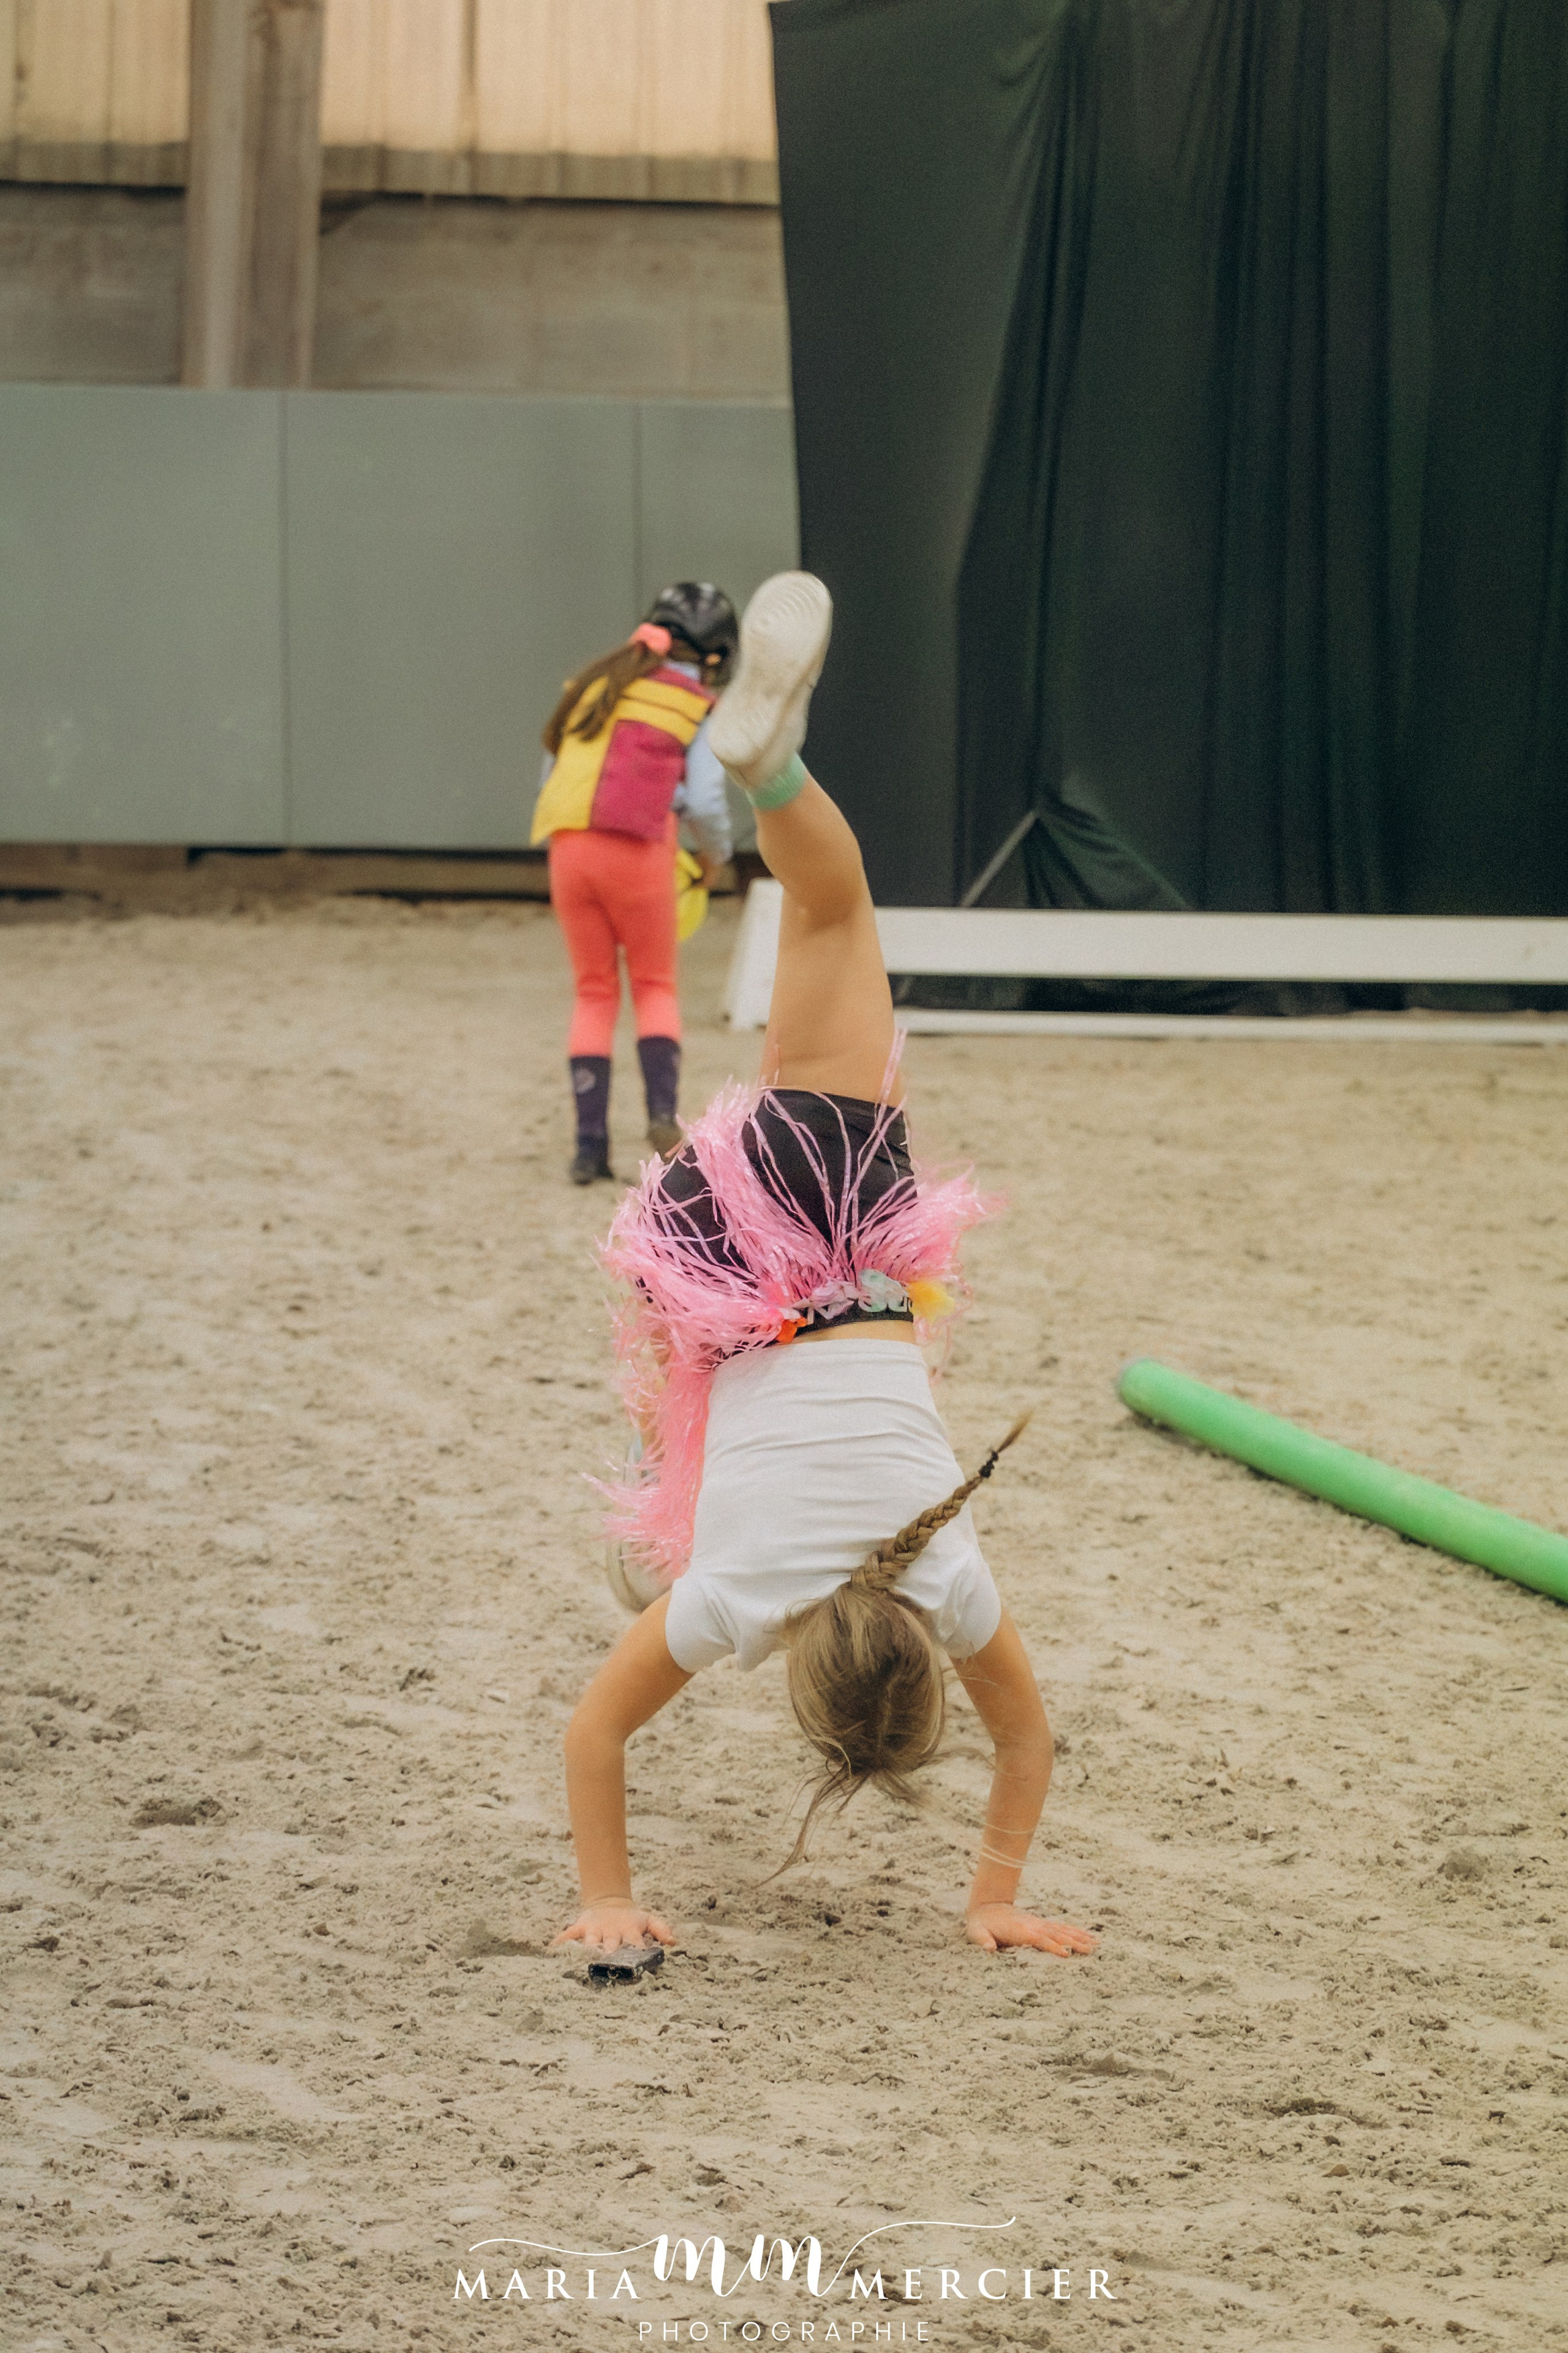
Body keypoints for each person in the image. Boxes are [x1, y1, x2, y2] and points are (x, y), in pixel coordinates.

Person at [552, 572, 1098, 1966]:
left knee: (837, 915)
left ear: (916, 1658)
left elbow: (1027, 1741)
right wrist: (604, 1897)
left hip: (831, 1241)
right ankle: (764, 767)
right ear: (805, 1678)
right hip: (715, 1262)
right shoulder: (734, 1593)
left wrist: (995, 1891)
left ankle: (769, 767)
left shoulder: (951, 1572)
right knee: (814, 951)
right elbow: (595, 1733)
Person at [533, 583, 737, 1185]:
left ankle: (588, 1145)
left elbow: (552, 774)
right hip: (642, 850)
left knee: (594, 992)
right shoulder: (693, 704)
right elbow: (702, 798)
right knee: (654, 986)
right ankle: (661, 1120)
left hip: (569, 850)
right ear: (717, 656)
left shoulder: (592, 687)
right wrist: (716, 857)